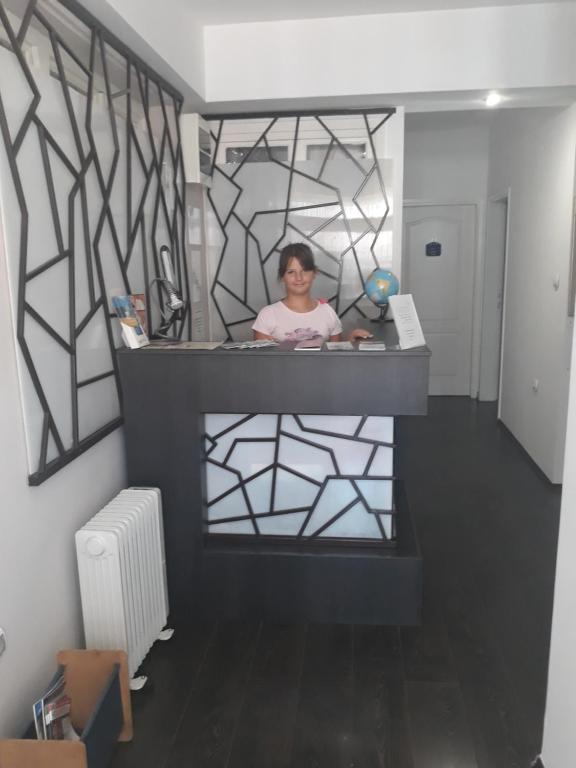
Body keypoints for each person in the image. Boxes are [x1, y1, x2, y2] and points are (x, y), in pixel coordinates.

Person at [252, 243, 372, 343]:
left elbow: (336, 359)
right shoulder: (267, 315)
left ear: (314, 272)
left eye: (304, 270)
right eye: (291, 272)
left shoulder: (327, 312)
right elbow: (263, 364)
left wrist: (352, 341)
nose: (298, 278)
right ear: (282, 276)